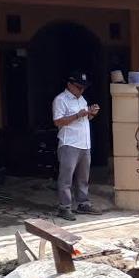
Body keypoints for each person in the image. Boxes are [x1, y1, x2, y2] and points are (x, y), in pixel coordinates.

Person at [52, 72, 99, 221]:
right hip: (69, 143)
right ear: (70, 85)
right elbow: (58, 121)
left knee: (83, 177)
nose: (81, 91)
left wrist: (91, 114)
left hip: (84, 143)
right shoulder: (61, 100)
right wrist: (78, 115)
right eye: (79, 87)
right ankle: (64, 207)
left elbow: (84, 119)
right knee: (66, 178)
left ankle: (83, 203)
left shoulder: (82, 99)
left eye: (83, 88)